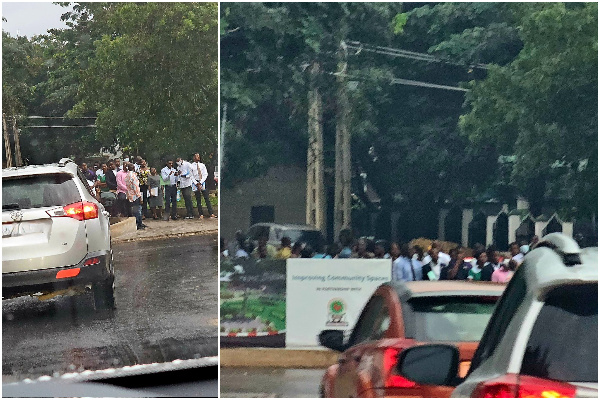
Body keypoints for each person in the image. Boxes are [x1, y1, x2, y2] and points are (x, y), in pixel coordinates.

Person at [191, 153, 217, 218]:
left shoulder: (202, 165)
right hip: (195, 183)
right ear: (194, 158)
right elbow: (191, 176)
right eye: (196, 156)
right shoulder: (191, 166)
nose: (197, 158)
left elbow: (205, 174)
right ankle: (201, 214)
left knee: (206, 198)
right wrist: (196, 183)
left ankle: (211, 213)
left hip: (202, 182)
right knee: (198, 199)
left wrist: (201, 182)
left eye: (198, 156)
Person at [125, 163, 145, 230]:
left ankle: (139, 223)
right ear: (133, 168)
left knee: (135, 210)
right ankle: (139, 224)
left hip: (130, 195)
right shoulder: (133, 175)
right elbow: (135, 187)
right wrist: (139, 196)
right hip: (135, 195)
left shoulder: (127, 175)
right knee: (138, 210)